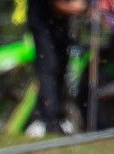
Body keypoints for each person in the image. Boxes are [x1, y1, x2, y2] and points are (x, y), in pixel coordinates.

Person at [27, 0, 86, 136]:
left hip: (61, 23)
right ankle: (49, 120)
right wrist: (76, 7)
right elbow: (58, 5)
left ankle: (58, 117)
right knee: (49, 67)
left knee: (60, 68)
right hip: (43, 21)